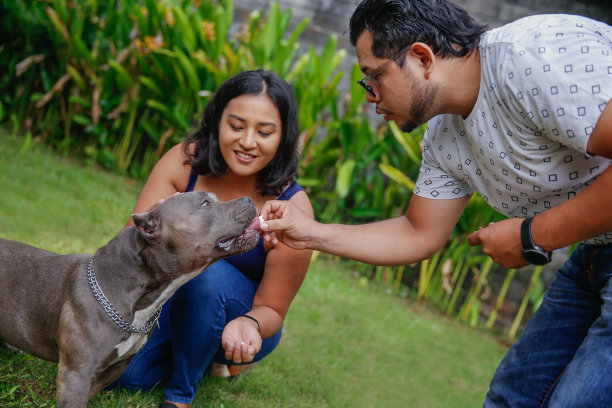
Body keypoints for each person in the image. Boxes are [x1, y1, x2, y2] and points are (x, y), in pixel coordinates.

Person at [259, 0, 612, 406]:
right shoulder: (445, 135)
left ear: (421, 57)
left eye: (373, 78)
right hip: (596, 254)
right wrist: (312, 233)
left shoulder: (531, 58)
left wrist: (534, 235)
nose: (371, 98)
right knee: (513, 397)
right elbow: (418, 232)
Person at [112, 70, 313, 408]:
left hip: (241, 320)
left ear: (283, 137)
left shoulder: (293, 207)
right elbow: (129, 243)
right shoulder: (186, 161)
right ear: (218, 121)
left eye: (264, 132)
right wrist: (156, 229)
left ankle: (180, 395)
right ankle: (197, 354)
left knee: (209, 272)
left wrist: (249, 324)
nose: (248, 142)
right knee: (127, 378)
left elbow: (272, 309)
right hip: (171, 304)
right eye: (236, 126)